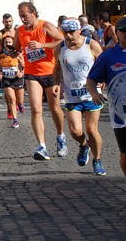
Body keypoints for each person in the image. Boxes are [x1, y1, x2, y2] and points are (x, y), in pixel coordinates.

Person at [12, 1, 66, 161]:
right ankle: (42, 146)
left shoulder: (45, 26)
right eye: (20, 16)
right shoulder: (20, 31)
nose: (23, 19)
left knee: (55, 108)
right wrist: (12, 52)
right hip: (31, 73)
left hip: (50, 72)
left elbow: (62, 41)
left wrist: (42, 44)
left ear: (33, 13)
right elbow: (16, 48)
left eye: (25, 15)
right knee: (36, 109)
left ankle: (60, 136)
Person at [53, 18, 106, 175]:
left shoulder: (91, 45)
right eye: (65, 32)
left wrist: (102, 80)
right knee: (75, 131)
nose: (69, 36)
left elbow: (103, 64)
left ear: (79, 31)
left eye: (71, 32)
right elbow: (56, 68)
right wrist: (56, 83)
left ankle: (97, 160)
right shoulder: (60, 48)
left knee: (91, 129)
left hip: (91, 95)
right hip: (72, 97)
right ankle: (84, 146)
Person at [87, 16, 126, 177]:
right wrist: (94, 93)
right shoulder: (108, 56)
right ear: (117, 33)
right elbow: (91, 79)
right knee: (125, 154)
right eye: (124, 32)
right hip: (121, 115)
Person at [0, 33, 25, 129]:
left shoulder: (18, 53)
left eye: (9, 42)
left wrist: (21, 72)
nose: (8, 43)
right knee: (12, 99)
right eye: (6, 42)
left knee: (19, 100)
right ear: (3, 44)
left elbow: (24, 65)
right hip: (6, 79)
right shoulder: (1, 54)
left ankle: (20, 105)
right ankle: (15, 120)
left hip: (17, 78)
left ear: (13, 43)